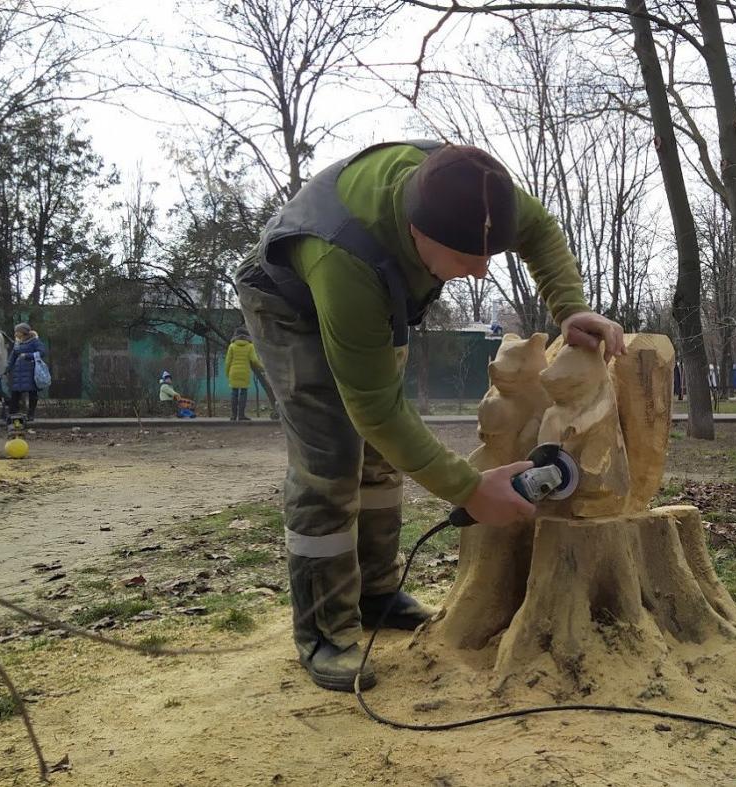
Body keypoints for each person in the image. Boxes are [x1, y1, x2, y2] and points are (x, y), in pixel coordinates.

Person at [235, 139, 625, 693]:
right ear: (419, 232)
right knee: (331, 457)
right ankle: (325, 631)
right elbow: (375, 410)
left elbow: (539, 231)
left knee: (377, 462)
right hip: (286, 303)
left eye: (486, 254)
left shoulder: (475, 192)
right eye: (468, 258)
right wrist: (467, 488)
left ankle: (376, 593)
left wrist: (569, 307)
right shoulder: (344, 259)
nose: (481, 272)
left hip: (375, 303)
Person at [223, 326, 263, 421]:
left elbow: (227, 361)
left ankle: (233, 416)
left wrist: (227, 373)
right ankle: (241, 415)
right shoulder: (250, 346)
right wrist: (263, 368)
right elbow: (254, 360)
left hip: (234, 372)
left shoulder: (232, 346)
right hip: (244, 372)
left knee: (234, 392)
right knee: (243, 393)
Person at [6, 323, 45, 421]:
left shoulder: (34, 341)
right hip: (18, 372)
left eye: (17, 331)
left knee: (32, 393)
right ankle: (13, 413)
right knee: (15, 393)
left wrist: (28, 356)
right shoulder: (17, 343)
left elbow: (42, 352)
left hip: (30, 371)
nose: (15, 334)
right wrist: (8, 368)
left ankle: (31, 413)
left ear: (23, 332)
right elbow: (13, 356)